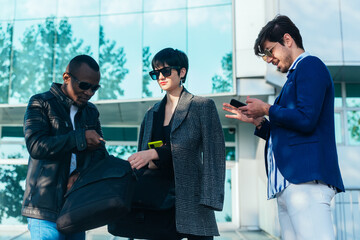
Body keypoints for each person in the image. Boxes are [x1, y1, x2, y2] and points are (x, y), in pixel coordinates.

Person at [223, 15, 344, 240]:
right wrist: (257, 121)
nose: (268, 59)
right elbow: (289, 129)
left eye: (269, 51)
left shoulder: (310, 65)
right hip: (288, 186)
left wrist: (267, 109)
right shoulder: (292, 78)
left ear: (287, 40)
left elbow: (307, 119)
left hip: (306, 182)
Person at [127, 48, 226, 240]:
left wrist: (211, 198)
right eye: (156, 73)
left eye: (165, 71)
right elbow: (142, 157)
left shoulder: (202, 106)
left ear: (182, 72)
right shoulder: (151, 113)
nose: (160, 77)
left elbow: (215, 155)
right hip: (158, 199)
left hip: (193, 199)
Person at [22, 55, 107, 240]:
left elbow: (100, 155)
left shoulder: (91, 112)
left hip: (76, 208)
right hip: (43, 209)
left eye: (95, 87)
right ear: (66, 78)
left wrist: (80, 175)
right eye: (84, 85)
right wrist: (80, 138)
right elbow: (36, 146)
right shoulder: (41, 103)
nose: (90, 92)